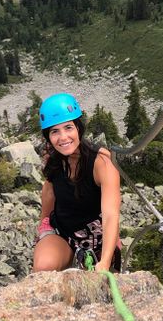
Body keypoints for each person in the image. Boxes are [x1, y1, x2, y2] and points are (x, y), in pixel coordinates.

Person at [32, 92, 121, 272]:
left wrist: (104, 262)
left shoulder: (102, 163)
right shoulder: (55, 160)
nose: (63, 137)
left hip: (98, 237)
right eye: (55, 131)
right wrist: (44, 226)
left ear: (78, 128)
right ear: (48, 137)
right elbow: (49, 191)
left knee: (101, 287)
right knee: (43, 267)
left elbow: (111, 215)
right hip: (63, 232)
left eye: (68, 127)